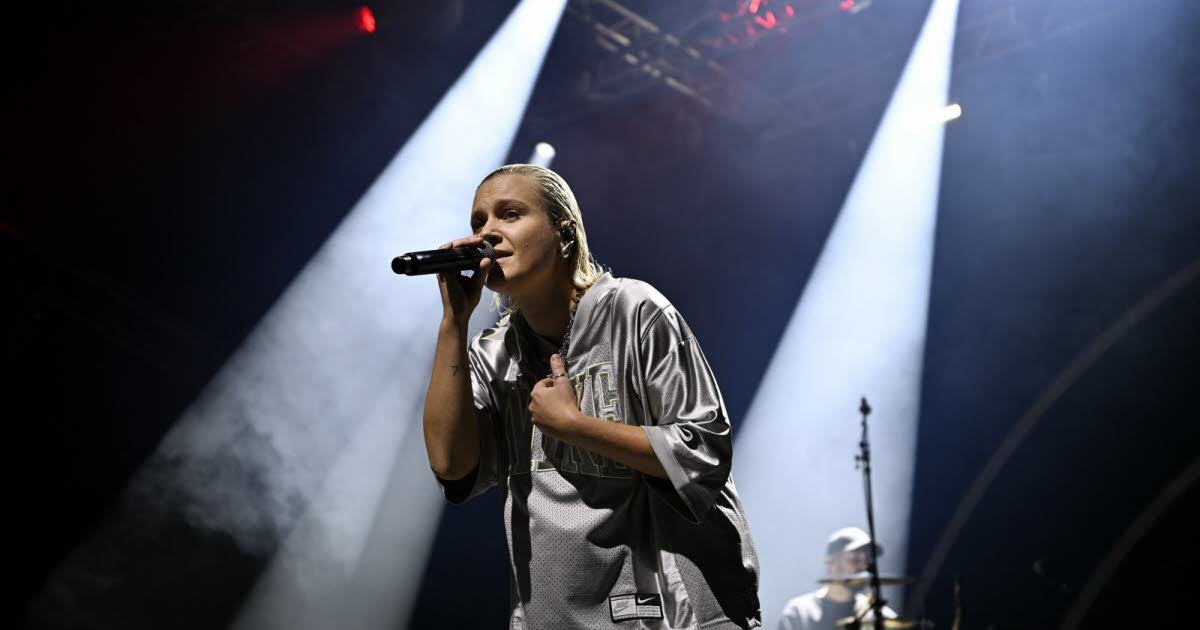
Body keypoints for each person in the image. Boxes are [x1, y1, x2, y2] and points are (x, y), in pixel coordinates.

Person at [422, 164, 761, 629]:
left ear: (564, 233)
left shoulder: (634, 309)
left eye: (510, 214)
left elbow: (702, 454)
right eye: (479, 222)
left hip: (673, 614)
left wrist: (577, 427)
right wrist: (453, 324)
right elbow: (450, 466)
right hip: (553, 616)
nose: (488, 233)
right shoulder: (493, 351)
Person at [777, 527, 898, 630]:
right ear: (831, 563)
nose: (864, 567)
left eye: (867, 561)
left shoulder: (879, 616)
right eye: (855, 560)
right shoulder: (799, 613)